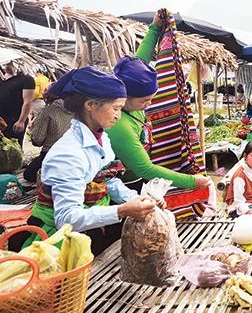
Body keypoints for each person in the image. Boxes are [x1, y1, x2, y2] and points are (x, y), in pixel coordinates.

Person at [10, 67, 158, 255]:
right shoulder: (67, 154)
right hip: (58, 242)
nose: (118, 116)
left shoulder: (102, 139)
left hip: (88, 230)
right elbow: (66, 218)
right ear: (91, 105)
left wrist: (137, 199)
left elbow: (106, 179)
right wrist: (121, 210)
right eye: (115, 108)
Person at [106, 10, 210, 193]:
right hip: (124, 185)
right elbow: (144, 169)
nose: (148, 105)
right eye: (144, 101)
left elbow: (140, 60)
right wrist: (192, 181)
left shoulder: (129, 86)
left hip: (139, 176)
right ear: (124, 95)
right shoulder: (118, 125)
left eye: (151, 99)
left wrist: (155, 28)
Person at [22, 88, 73, 187]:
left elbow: (37, 140)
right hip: (73, 155)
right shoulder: (79, 111)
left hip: (51, 154)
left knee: (28, 175)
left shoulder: (47, 111)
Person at [0, 62, 35, 147]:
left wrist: (21, 121)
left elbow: (27, 102)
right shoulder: (3, 78)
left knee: (13, 146)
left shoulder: (26, 79)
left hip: (14, 120)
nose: (7, 66)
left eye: (10, 64)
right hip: (1, 119)